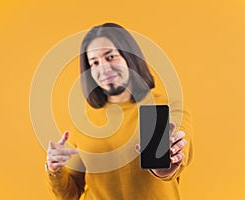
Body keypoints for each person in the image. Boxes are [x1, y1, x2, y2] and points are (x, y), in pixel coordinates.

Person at [45, 23, 193, 199]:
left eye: (111, 57)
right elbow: (71, 193)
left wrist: (166, 162)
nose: (104, 68)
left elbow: (174, 152)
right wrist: (55, 170)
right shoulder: (85, 122)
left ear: (130, 57)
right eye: (94, 63)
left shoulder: (163, 106)